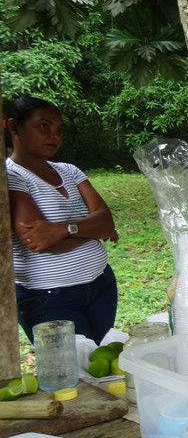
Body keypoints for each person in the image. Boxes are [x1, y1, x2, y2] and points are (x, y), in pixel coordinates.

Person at [5, 95, 119, 343]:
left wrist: (62, 229)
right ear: (14, 127)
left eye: (59, 129)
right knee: (69, 373)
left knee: (100, 365)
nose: (54, 135)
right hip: (48, 298)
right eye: (44, 126)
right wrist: (91, 231)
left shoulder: (69, 170)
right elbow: (40, 241)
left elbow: (106, 222)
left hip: (101, 285)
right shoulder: (11, 178)